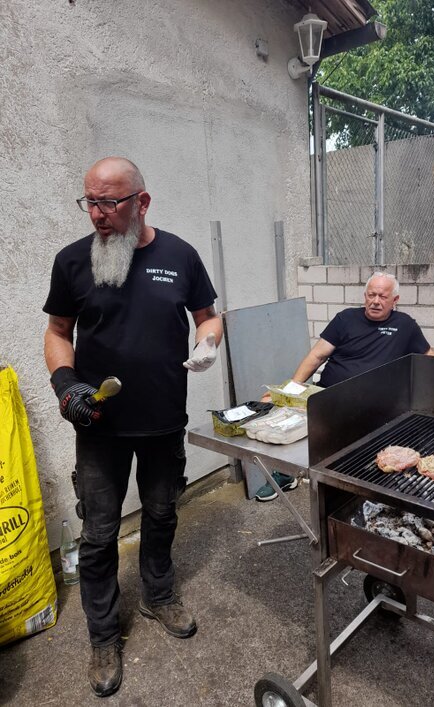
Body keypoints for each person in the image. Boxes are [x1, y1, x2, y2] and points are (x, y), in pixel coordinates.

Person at [43, 157, 223, 698]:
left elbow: (208, 316)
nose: (97, 214)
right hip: (99, 426)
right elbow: (57, 331)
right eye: (90, 202)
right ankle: (103, 635)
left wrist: (209, 343)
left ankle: (158, 594)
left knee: (163, 513)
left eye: (109, 202)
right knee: (99, 534)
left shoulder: (180, 256)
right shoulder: (71, 261)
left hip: (163, 420)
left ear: (141, 202)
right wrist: (65, 384)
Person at [255, 271, 434, 501]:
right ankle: (286, 473)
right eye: (371, 295)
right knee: (291, 425)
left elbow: (430, 355)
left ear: (395, 300)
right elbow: (317, 356)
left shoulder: (405, 325)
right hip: (329, 395)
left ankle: (358, 486)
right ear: (364, 296)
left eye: (382, 296)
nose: (375, 301)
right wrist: (289, 391)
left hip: (376, 406)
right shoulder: (345, 319)